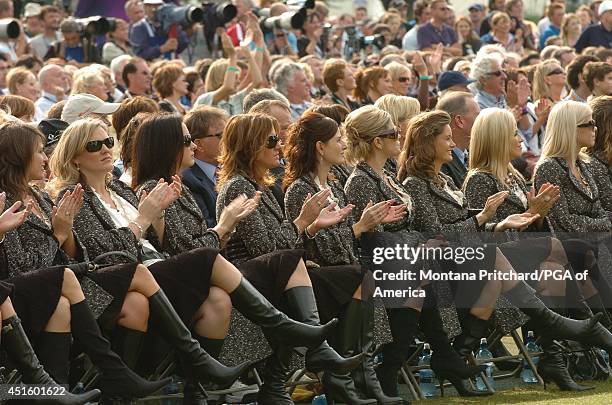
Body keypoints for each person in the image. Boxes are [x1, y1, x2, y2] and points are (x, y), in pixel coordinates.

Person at [48, 116, 343, 403]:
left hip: (161, 269)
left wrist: (170, 228)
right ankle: (281, 328)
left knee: (222, 297)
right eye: (93, 145)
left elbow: (167, 244)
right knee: (270, 262)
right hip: (128, 278)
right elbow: (104, 252)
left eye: (107, 141)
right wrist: (151, 220)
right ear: (74, 158)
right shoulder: (75, 195)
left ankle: (198, 388)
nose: (103, 149)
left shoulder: (122, 190)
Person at [134, 113, 361, 404]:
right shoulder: (229, 188)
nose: (279, 146)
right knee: (308, 269)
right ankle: (305, 356)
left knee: (349, 275)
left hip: (236, 275)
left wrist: (310, 225)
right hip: (217, 279)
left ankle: (299, 370)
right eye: (271, 140)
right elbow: (249, 249)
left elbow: (206, 248)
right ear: (251, 145)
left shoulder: (236, 187)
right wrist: (300, 222)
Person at [396, 109, 612, 379]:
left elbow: (494, 228)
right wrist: (487, 220)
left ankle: (559, 354)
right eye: (447, 138)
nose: (521, 138)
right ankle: (577, 334)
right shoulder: (459, 181)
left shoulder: (455, 180)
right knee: (560, 251)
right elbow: (438, 234)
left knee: (555, 261)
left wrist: (532, 215)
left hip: (498, 257)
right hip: (463, 264)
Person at [342, 106, 487, 398]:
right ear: (376, 142)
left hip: (406, 260)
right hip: (379, 265)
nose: (400, 137)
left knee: (424, 279)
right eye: (392, 133)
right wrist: (419, 246)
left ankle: (409, 365)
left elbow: (404, 228)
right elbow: (373, 237)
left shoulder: (386, 178)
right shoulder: (360, 182)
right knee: (424, 278)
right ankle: (441, 356)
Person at [283, 110, 405, 404]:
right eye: (337, 140)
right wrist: (361, 227)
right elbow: (322, 249)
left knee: (369, 274)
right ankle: (346, 376)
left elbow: (342, 244)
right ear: (320, 147)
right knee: (362, 276)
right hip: (317, 276)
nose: (344, 145)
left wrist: (367, 225)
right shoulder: (301, 189)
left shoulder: (334, 184)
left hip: (342, 270)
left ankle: (362, 375)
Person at [194, 30, 263, 116]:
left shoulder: (235, 99)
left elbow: (257, 81)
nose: (238, 82)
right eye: (235, 78)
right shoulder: (205, 99)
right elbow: (228, 87)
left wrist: (255, 48)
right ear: (222, 78)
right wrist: (232, 56)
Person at [182, 106, 227, 226]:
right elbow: (207, 225)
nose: (228, 139)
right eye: (221, 135)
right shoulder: (188, 180)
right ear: (199, 144)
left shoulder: (232, 168)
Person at [435, 91, 481, 188]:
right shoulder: (440, 162)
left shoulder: (473, 154)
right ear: (459, 121)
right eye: (478, 116)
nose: (482, 121)